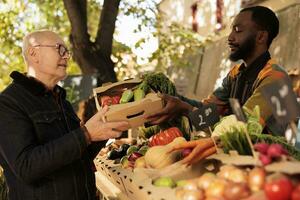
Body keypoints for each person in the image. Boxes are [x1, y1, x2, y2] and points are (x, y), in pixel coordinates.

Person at [0, 30, 129, 200]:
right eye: (59, 49)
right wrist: (86, 134)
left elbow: (78, 155)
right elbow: (26, 167)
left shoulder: (61, 100)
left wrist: (106, 124)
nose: (67, 56)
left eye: (67, 51)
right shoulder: (8, 102)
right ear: (34, 53)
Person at [147, 6, 293, 136]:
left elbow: (243, 129)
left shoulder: (277, 78)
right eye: (231, 30)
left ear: (261, 37)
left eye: (238, 30)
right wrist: (174, 98)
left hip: (276, 162)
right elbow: (208, 109)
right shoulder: (236, 74)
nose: (230, 37)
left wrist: (185, 109)